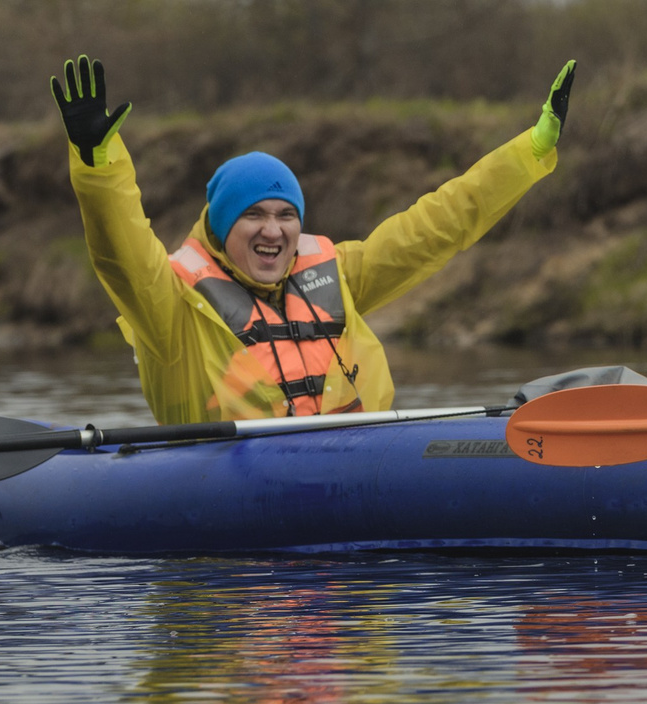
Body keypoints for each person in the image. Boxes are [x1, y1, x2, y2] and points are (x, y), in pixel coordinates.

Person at [49, 52, 577, 426]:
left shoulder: (337, 272)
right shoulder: (170, 303)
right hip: (227, 489)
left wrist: (529, 152)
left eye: (286, 215)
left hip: (353, 465)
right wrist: (99, 166)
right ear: (220, 225)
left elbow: (440, 223)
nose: (273, 230)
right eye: (253, 216)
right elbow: (120, 250)